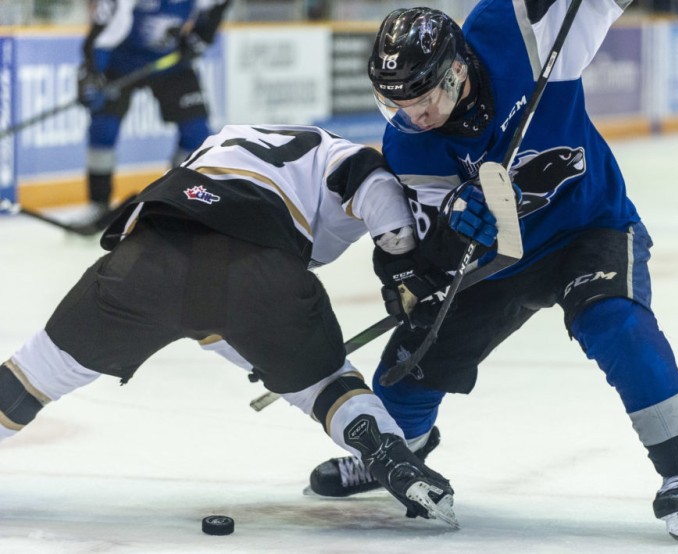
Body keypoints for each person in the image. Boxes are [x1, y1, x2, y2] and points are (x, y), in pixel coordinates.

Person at [306, 1, 678, 543]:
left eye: (423, 98)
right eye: (398, 104)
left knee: (615, 324)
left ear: (456, 70)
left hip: (588, 226)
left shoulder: (523, 31)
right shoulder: (410, 145)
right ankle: (397, 453)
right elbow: (425, 253)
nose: (414, 116)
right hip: (499, 259)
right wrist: (453, 229)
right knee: (414, 360)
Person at [0, 124, 457, 527]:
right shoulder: (338, 153)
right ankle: (393, 456)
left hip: (145, 258)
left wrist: (248, 350)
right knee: (328, 385)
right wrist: (405, 268)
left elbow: (201, 292)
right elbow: (369, 180)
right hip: (262, 274)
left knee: (30, 377)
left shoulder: (232, 139)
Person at [74, 0, 232, 233]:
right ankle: (98, 204)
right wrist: (92, 72)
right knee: (103, 127)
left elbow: (217, 6)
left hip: (170, 62)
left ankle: (179, 200)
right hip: (121, 60)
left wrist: (201, 36)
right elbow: (103, 32)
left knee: (196, 131)